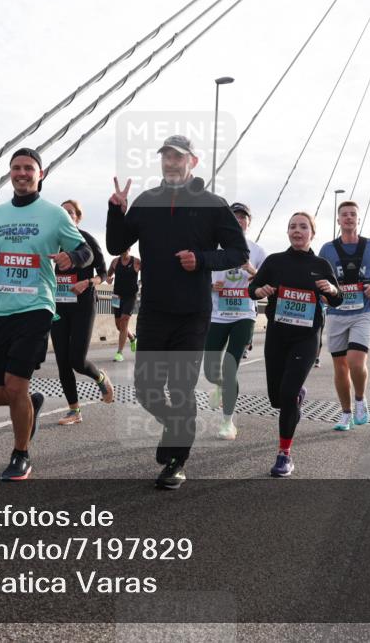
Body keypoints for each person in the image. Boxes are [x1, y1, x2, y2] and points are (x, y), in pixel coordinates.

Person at [107, 134, 248, 489]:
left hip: (192, 314)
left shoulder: (213, 204)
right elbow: (114, 244)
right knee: (146, 389)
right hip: (153, 309)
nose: (171, 162)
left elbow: (238, 252)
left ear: (193, 162)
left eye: (178, 157)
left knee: (181, 388)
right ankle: (175, 428)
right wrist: (116, 210)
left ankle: (177, 461)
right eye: (166, 157)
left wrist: (201, 260)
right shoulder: (147, 201)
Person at [0, 148, 94, 481]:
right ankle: (31, 405)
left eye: (28, 168)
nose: (22, 173)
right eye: (16, 168)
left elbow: (85, 250)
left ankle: (21, 454)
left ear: (41, 174)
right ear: (10, 173)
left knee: (15, 385)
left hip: (35, 307)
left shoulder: (54, 214)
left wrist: (72, 259)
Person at [249, 212, 342, 476]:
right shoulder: (275, 261)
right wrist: (261, 291)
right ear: (287, 232)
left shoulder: (321, 265)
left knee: (288, 393)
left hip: (306, 337)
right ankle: (295, 398)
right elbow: (252, 289)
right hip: (277, 335)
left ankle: (284, 455)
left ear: (312, 233)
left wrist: (333, 291)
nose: (297, 231)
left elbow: (337, 299)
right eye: (292, 226)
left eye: (303, 227)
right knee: (277, 398)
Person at [318, 200, 370, 432]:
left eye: (352, 214)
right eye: (344, 215)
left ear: (358, 219)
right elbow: (317, 276)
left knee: (355, 361)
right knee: (340, 367)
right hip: (336, 312)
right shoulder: (327, 249)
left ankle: (360, 399)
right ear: (338, 220)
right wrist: (322, 294)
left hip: (363, 312)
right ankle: (345, 413)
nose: (348, 218)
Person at [204, 202, 267, 441]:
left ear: (249, 223)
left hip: (244, 314)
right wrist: (210, 285)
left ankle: (228, 422)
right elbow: (197, 274)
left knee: (230, 368)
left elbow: (266, 282)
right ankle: (219, 385)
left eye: (243, 217)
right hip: (216, 315)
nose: (239, 220)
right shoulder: (213, 248)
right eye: (234, 216)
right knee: (211, 371)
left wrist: (250, 269)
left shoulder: (258, 251)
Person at [51, 200, 115, 426]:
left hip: (83, 304)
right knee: (62, 361)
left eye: (70, 212)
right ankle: (74, 410)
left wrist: (88, 282)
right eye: (63, 212)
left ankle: (100, 378)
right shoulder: (52, 241)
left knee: (76, 359)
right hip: (58, 306)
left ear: (77, 217)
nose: (66, 215)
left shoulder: (86, 239)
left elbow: (104, 274)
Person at [107, 250, 140, 361]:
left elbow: (148, 273)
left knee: (124, 320)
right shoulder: (115, 262)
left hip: (130, 297)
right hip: (117, 297)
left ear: (129, 249)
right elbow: (108, 274)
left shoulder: (136, 261)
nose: (124, 250)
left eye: (126, 248)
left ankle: (119, 353)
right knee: (119, 325)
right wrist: (108, 278)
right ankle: (132, 338)